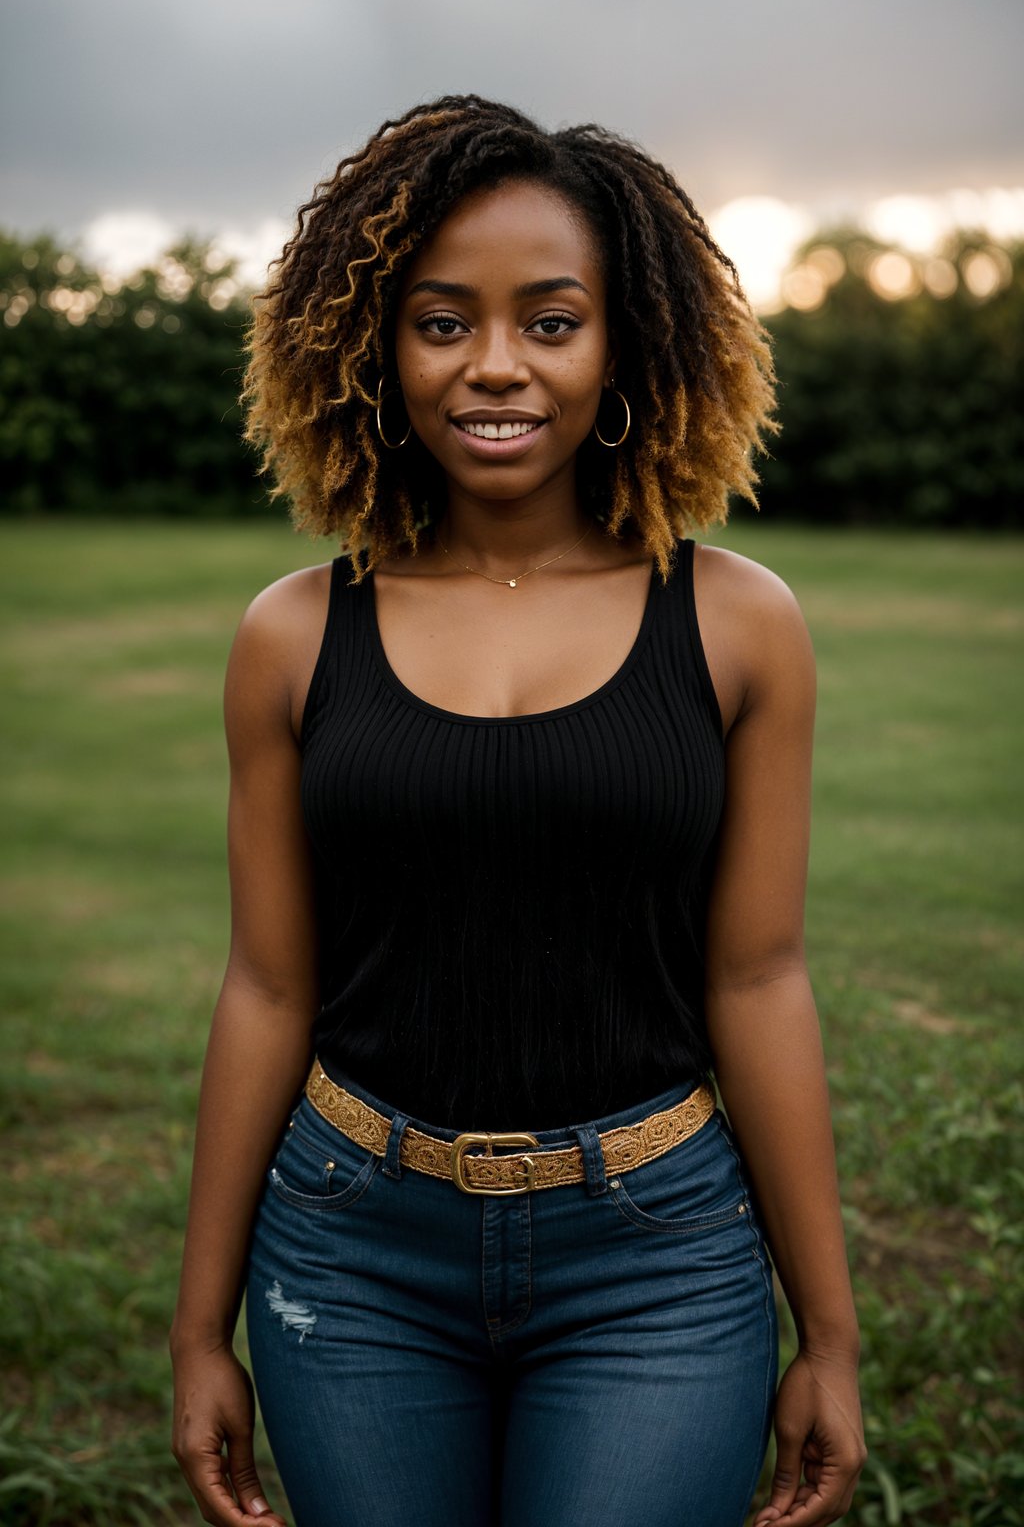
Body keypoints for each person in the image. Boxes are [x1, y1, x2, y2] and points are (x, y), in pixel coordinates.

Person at [170, 95, 866, 1527]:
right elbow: (264, 984)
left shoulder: (739, 626)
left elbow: (759, 975)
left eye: (551, 321)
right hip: (352, 1249)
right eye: (442, 321)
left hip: (657, 1257)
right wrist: (198, 1328)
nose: (496, 365)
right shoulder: (292, 639)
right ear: (375, 345)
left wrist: (833, 1335)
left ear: (627, 348)